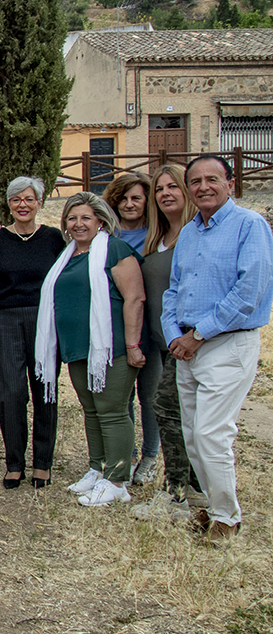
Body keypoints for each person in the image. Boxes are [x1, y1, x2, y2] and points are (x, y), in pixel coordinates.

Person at [161, 154, 273, 541]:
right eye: (195, 181)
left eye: (212, 179)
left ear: (230, 183)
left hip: (227, 343)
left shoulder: (249, 226)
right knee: (193, 433)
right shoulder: (191, 232)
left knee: (212, 433)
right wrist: (174, 332)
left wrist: (198, 335)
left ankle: (227, 517)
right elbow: (174, 288)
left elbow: (249, 292)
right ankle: (212, 506)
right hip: (188, 345)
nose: (203, 187)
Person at [36, 193, 146, 508]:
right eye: (72, 218)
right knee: (92, 411)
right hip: (77, 348)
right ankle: (98, 469)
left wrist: (133, 344)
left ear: (100, 220)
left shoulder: (114, 250)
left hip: (111, 348)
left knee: (112, 411)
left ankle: (117, 480)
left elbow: (135, 298)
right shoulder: (68, 255)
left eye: (86, 217)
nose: (78, 223)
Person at [0, 176, 66, 490]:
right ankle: (14, 463)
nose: (23, 205)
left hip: (44, 320)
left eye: (29, 199)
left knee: (45, 390)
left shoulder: (54, 238)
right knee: (11, 392)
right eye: (16, 199)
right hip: (5, 319)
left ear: (39, 203)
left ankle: (42, 463)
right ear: (9, 204)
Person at [133, 164, 203, 521]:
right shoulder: (155, 237)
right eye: (159, 189)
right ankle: (187, 490)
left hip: (191, 341)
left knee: (177, 414)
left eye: (173, 186)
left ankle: (181, 492)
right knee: (172, 413)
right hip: (161, 341)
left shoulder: (197, 234)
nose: (165, 194)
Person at [103, 171, 161, 483]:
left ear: (146, 201)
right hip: (114, 324)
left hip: (150, 323)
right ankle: (129, 452)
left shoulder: (158, 235)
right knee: (120, 394)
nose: (129, 204)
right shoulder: (107, 236)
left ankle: (151, 455)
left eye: (136, 198)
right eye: (123, 198)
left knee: (150, 394)